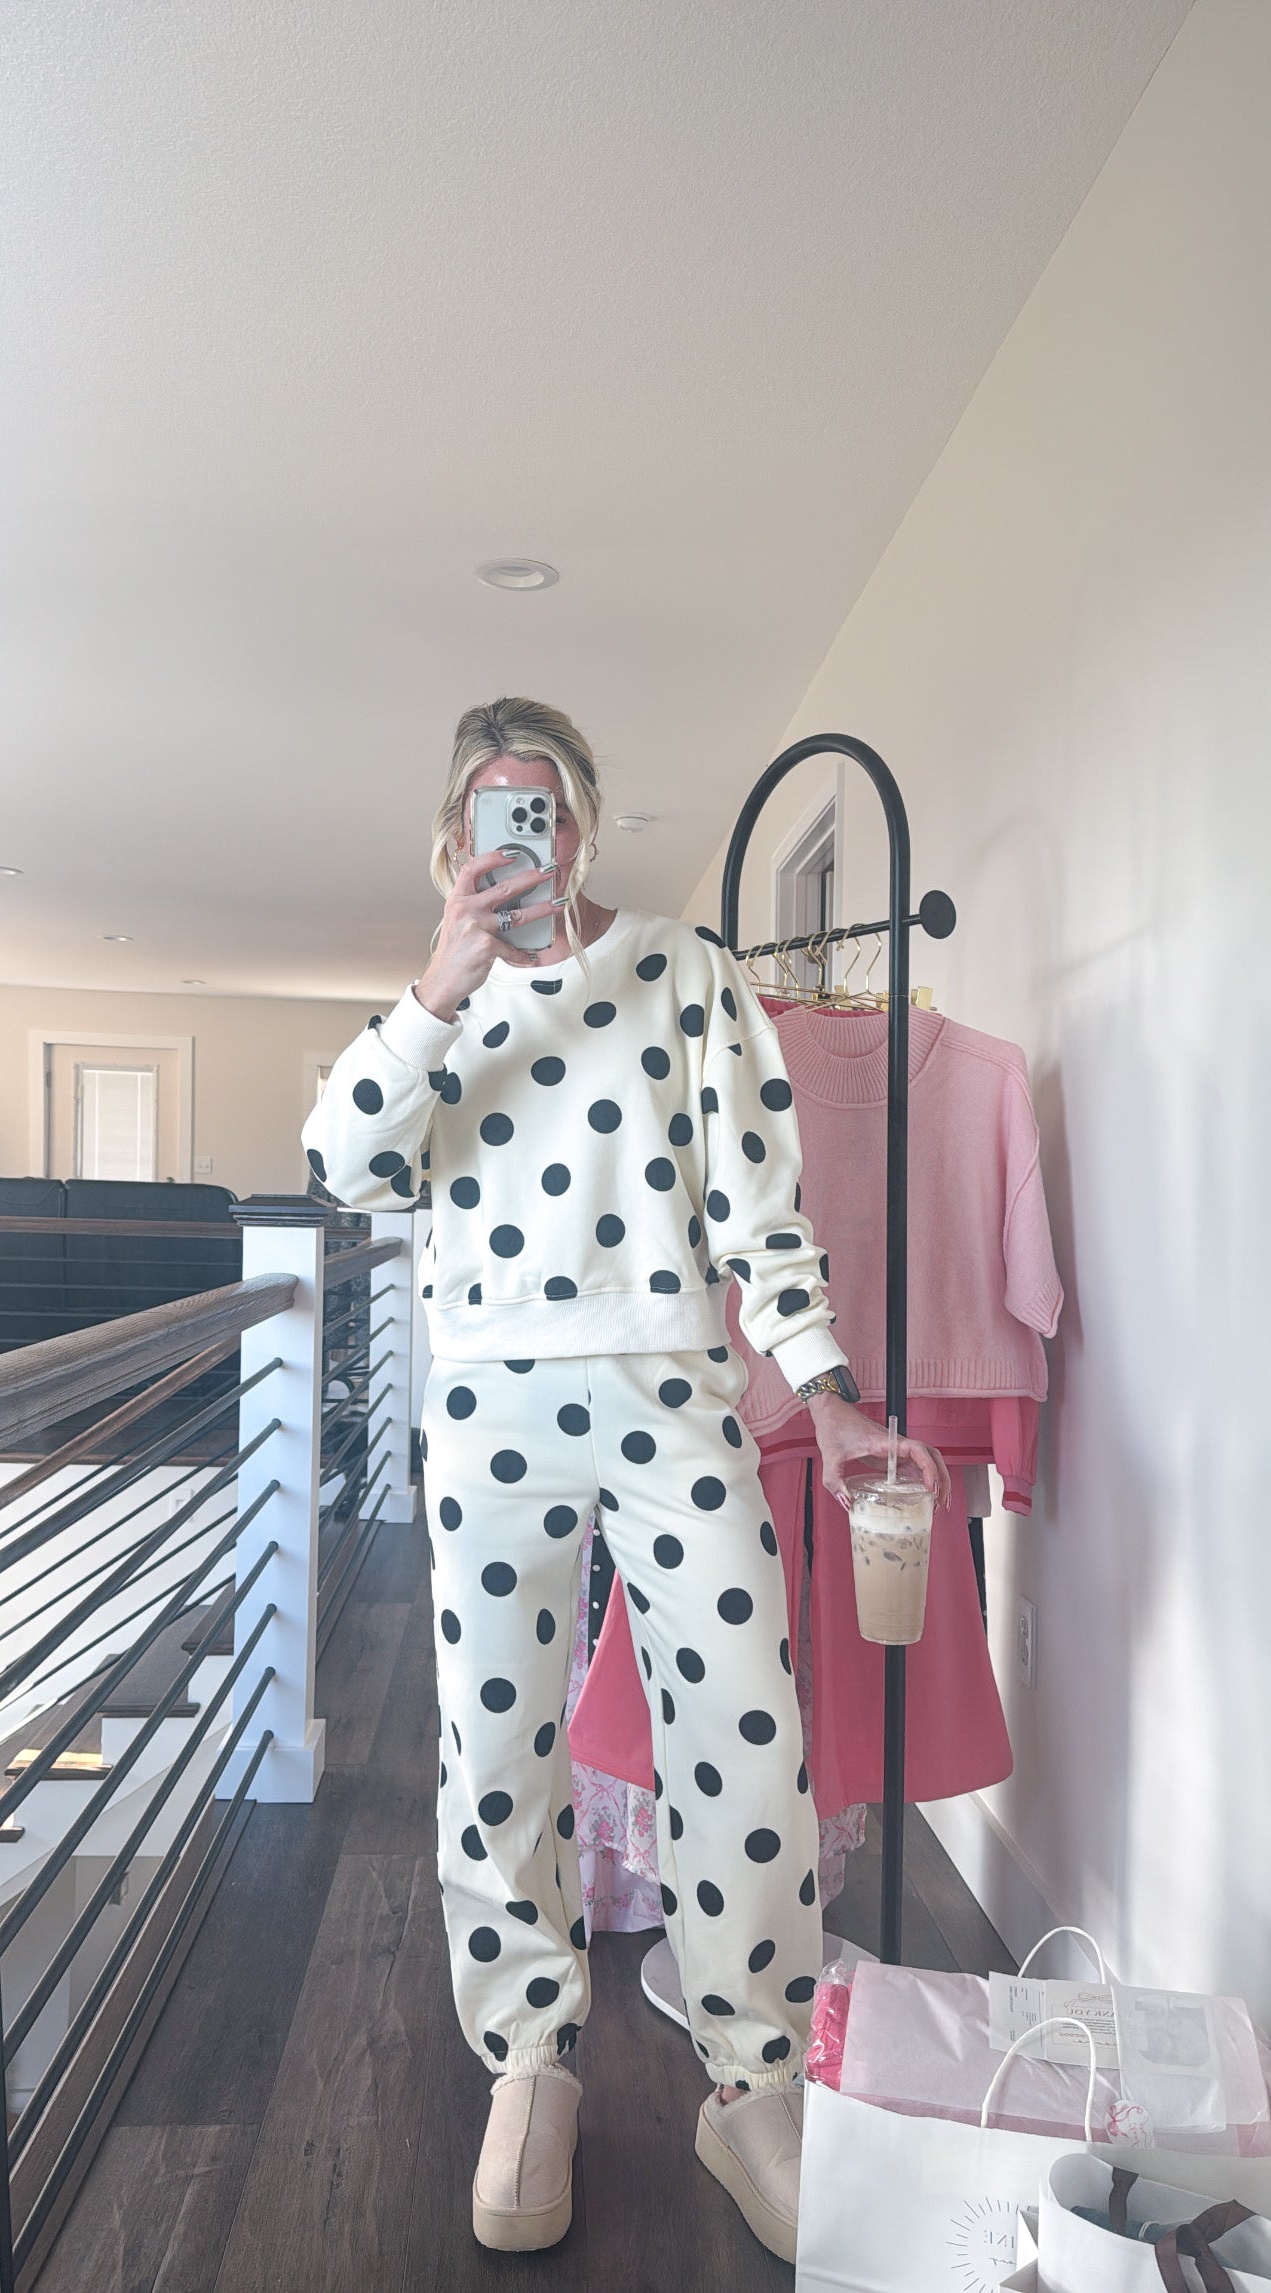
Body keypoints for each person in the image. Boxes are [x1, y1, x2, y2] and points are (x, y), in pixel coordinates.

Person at [303, 697, 948, 2262]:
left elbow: (757, 1205)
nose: (520, 835)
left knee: (745, 1730)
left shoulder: (684, 969)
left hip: (674, 1390)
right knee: (494, 1741)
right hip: (487, 1403)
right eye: (490, 810)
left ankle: (754, 2079)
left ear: (583, 824)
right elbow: (341, 1166)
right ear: (455, 837)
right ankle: (529, 2061)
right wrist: (439, 989)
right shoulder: (435, 1004)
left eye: (543, 806)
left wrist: (829, 1393)